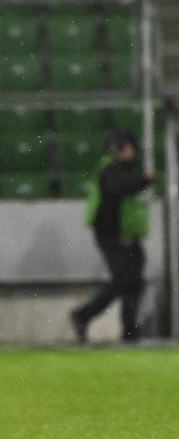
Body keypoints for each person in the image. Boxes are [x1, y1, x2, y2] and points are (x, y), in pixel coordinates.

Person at [70, 131, 154, 343]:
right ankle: (83, 315)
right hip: (111, 235)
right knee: (124, 279)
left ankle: (130, 331)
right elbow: (121, 187)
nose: (132, 154)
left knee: (134, 281)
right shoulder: (109, 169)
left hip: (126, 235)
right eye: (130, 149)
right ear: (121, 149)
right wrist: (143, 180)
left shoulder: (118, 169)